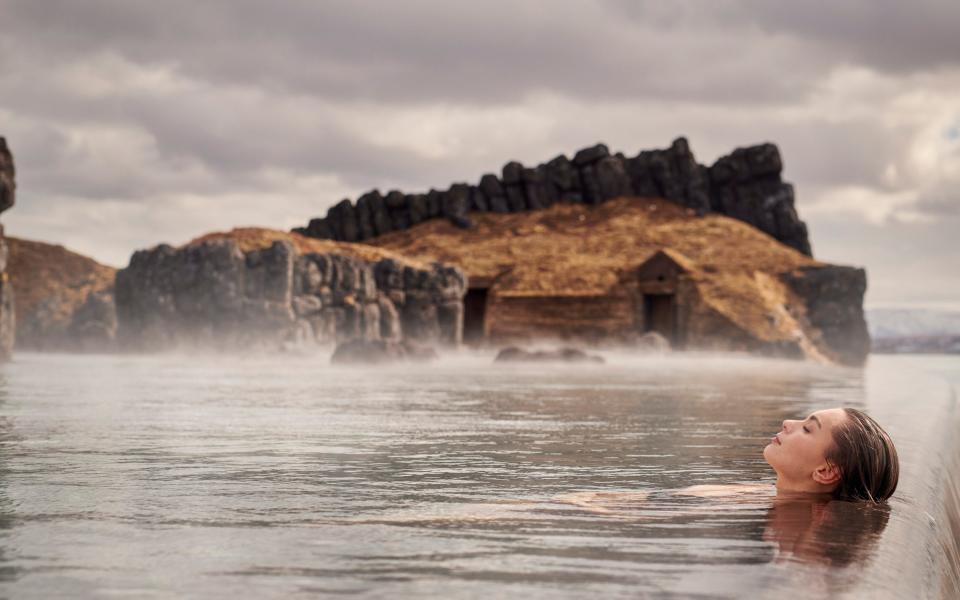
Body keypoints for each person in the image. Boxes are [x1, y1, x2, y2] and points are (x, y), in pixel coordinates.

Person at [763, 407, 899, 502]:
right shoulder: (761, 492)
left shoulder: (816, 534)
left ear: (826, 471)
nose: (787, 422)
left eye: (807, 429)